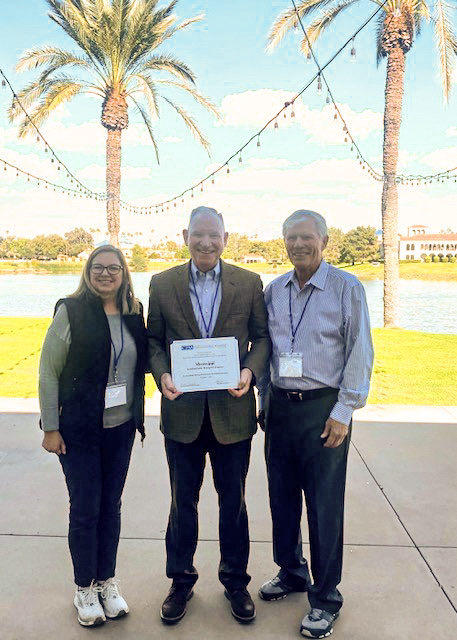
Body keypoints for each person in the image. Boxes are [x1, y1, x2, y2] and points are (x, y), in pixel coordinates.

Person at [147, 206, 270, 624]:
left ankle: (235, 582)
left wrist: (250, 371)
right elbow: (153, 341)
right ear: (185, 236)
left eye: (213, 235)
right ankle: (181, 580)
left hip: (232, 412)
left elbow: (262, 337)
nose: (206, 242)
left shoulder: (249, 282)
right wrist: (161, 373)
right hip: (181, 412)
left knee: (232, 503)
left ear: (226, 238)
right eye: (198, 235)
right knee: (184, 502)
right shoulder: (162, 284)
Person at [258, 210, 373, 639]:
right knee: (281, 498)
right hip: (280, 408)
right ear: (284, 242)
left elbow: (360, 352)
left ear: (324, 240)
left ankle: (325, 598)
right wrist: (264, 398)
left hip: (324, 409)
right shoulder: (274, 290)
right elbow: (267, 348)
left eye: (307, 237)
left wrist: (344, 412)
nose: (299, 245)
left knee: (323, 506)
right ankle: (291, 572)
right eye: (291, 238)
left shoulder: (346, 288)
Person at [38, 244, 147, 627]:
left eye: (113, 268)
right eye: (98, 267)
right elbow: (48, 371)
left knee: (111, 507)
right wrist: (51, 426)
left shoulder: (135, 313)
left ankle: (106, 582)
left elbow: (143, 362)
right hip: (80, 430)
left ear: (124, 273)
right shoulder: (71, 311)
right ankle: (83, 587)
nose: (105, 274)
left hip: (120, 430)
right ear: (88, 271)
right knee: (86, 510)